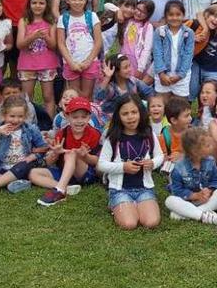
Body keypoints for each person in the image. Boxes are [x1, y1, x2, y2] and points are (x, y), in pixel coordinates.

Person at [97, 94, 164, 230]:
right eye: (125, 113)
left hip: (144, 188)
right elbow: (101, 164)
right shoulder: (113, 138)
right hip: (120, 190)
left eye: (134, 112)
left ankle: (137, 204)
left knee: (151, 222)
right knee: (130, 224)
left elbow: (160, 155)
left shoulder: (148, 134)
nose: (130, 117)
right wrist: (123, 167)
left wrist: (152, 163)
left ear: (141, 113)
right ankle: (116, 203)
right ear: (119, 117)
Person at [29, 97, 101, 206]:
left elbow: (98, 162)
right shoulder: (62, 134)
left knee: (71, 153)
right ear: (67, 117)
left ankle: (59, 191)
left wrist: (85, 156)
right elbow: (49, 163)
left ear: (89, 117)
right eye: (75, 117)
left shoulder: (94, 134)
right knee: (32, 173)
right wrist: (56, 153)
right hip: (64, 171)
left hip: (84, 173)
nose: (79, 121)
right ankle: (66, 187)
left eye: (83, 117)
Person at [0, 95, 48, 194]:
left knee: (23, 166)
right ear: (4, 114)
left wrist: (31, 157)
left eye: (20, 116)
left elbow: (43, 148)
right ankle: (11, 183)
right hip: (1, 167)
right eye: (12, 116)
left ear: (25, 116)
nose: (16, 120)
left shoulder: (31, 129)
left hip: (21, 168)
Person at [165, 127, 217, 225]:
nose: (212, 147)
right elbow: (177, 190)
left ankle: (188, 214)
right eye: (208, 145)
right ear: (195, 151)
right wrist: (195, 195)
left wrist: (209, 190)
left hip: (206, 200)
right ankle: (204, 216)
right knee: (169, 200)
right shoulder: (179, 167)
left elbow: (215, 181)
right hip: (187, 201)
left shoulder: (210, 161)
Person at [16, 0, 59, 118]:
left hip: (47, 64)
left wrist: (45, 36)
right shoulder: (24, 21)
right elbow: (20, 45)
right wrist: (33, 37)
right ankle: (28, 123)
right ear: (29, 4)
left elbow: (53, 46)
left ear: (47, 5)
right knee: (27, 97)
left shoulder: (51, 22)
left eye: (41, 3)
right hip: (27, 65)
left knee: (48, 96)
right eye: (34, 2)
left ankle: (49, 125)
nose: (37, 6)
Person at [56, 0, 102, 98]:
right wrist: (71, 62)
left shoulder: (92, 16)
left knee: (87, 95)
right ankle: (75, 116)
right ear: (67, 0)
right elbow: (61, 43)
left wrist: (88, 61)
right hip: (71, 62)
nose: (77, 2)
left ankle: (88, 116)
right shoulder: (63, 18)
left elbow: (98, 42)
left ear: (86, 0)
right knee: (74, 95)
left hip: (90, 61)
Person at [152, 0, 195, 100]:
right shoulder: (160, 32)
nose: (174, 18)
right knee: (162, 103)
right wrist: (162, 74)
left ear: (183, 15)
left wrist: (180, 75)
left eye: (178, 14)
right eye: (171, 14)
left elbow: (188, 55)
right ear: (166, 16)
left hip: (181, 75)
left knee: (179, 105)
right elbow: (157, 53)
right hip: (163, 74)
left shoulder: (188, 33)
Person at [94, 54, 154, 121]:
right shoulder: (110, 87)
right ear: (116, 71)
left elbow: (149, 92)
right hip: (113, 119)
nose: (129, 69)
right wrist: (107, 77)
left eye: (129, 66)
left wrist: (152, 106)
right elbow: (98, 97)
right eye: (125, 68)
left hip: (131, 115)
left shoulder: (133, 81)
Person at [120, 0, 155, 81]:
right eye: (138, 9)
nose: (139, 13)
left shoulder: (148, 27)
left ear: (148, 15)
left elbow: (147, 49)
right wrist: (118, 12)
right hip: (123, 58)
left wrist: (140, 68)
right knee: (122, 83)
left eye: (143, 12)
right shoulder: (127, 20)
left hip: (136, 62)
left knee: (134, 86)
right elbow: (107, 6)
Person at [160, 96, 193, 165]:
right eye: (186, 116)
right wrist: (166, 158)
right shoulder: (165, 136)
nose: (191, 118)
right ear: (174, 120)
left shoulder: (192, 133)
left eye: (190, 115)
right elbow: (160, 156)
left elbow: (199, 153)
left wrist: (183, 156)